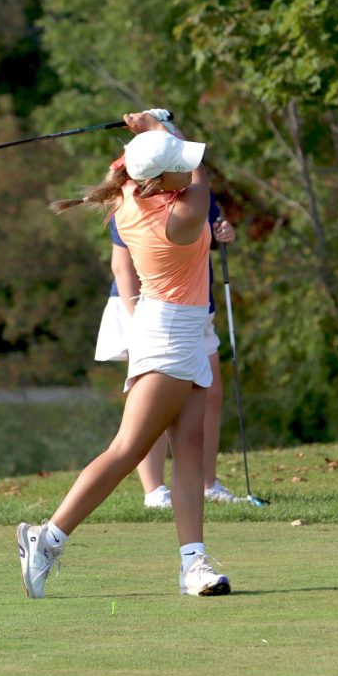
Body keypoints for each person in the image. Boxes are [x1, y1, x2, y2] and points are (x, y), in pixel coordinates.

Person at [17, 110, 231, 597]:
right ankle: (46, 538)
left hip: (179, 328)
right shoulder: (183, 216)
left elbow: (142, 163)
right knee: (128, 448)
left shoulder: (132, 193)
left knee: (190, 450)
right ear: (158, 183)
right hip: (169, 335)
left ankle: (192, 564)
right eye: (175, 163)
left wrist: (149, 131)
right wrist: (157, 127)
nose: (185, 165)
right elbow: (200, 177)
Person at [94, 203, 241, 506]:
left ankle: (207, 483)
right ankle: (154, 491)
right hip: (147, 310)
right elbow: (122, 268)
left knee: (210, 393)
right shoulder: (132, 198)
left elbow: (207, 234)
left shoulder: (195, 191)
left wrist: (224, 233)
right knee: (153, 402)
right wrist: (138, 323)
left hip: (195, 308)